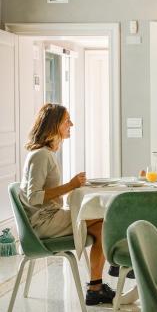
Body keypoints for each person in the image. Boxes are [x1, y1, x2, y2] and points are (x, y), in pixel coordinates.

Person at [19, 103, 115, 305]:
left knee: (102, 227)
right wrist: (70, 185)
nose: (71, 123)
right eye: (66, 120)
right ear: (54, 125)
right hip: (44, 223)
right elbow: (33, 197)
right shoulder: (40, 155)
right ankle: (115, 268)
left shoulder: (45, 154)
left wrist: (71, 186)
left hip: (49, 218)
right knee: (106, 219)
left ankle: (95, 287)